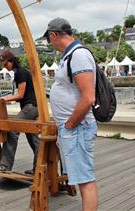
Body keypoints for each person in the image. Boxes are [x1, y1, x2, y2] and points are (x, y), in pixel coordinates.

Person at [44, 17, 98, 211]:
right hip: (72, 127)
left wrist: (69, 125)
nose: (50, 43)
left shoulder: (78, 55)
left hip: (77, 128)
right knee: (81, 178)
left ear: (54, 35)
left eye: (50, 39)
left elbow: (88, 97)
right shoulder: (70, 55)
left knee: (85, 179)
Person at [0, 51, 39, 174]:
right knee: (33, 138)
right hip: (33, 107)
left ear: (11, 62)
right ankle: (39, 167)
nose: (5, 67)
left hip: (30, 107)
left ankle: (5, 165)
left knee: (12, 129)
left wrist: (2, 99)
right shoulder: (22, 72)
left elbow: (20, 95)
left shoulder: (20, 73)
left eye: (6, 65)